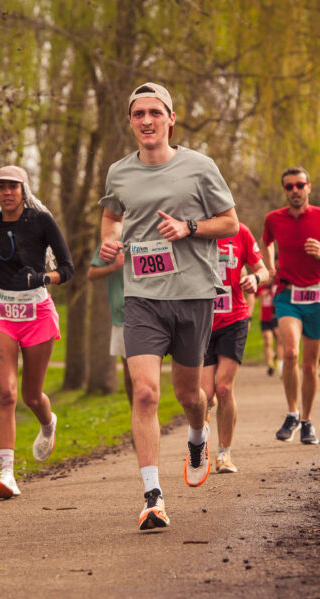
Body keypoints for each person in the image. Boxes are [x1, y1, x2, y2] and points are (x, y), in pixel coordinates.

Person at [98, 82, 238, 530]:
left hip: (193, 295)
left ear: (171, 119)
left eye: (154, 113)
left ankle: (198, 436)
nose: (146, 121)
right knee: (144, 392)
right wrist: (109, 241)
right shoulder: (119, 172)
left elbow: (230, 223)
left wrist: (189, 226)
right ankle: (152, 496)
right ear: (131, 122)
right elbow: (111, 214)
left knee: (189, 396)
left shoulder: (199, 166)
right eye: (138, 114)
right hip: (141, 296)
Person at [0, 165, 74, 499]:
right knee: (6, 394)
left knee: (30, 396)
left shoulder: (41, 221)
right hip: (2, 313)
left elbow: (67, 269)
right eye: (0, 188)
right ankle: (7, 474)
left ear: (24, 190)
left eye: (12, 186)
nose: (6, 192)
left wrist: (43, 278)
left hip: (37, 311)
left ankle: (47, 422)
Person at [262, 166, 320, 445]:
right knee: (290, 352)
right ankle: (292, 412)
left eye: (299, 185)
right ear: (284, 191)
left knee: (310, 365)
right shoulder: (273, 219)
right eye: (289, 187)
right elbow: (265, 242)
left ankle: (307, 422)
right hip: (287, 294)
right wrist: (270, 265)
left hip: (317, 295)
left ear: (308, 187)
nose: (295, 191)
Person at [202, 223, 269, 473]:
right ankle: (200, 444)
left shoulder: (240, 232)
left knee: (224, 387)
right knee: (205, 395)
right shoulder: (194, 230)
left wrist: (255, 277)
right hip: (202, 321)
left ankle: (224, 454)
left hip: (234, 318)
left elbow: (264, 270)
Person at [88, 246, 134, 408]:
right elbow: (91, 274)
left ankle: (148, 414)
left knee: (146, 373)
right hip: (122, 315)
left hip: (152, 311)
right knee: (129, 373)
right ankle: (137, 416)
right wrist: (113, 267)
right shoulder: (113, 242)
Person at [256, 282, 283, 376]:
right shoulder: (263, 284)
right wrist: (261, 293)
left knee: (279, 340)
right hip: (265, 317)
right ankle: (270, 365)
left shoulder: (279, 283)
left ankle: (281, 366)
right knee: (268, 340)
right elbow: (254, 294)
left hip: (276, 316)